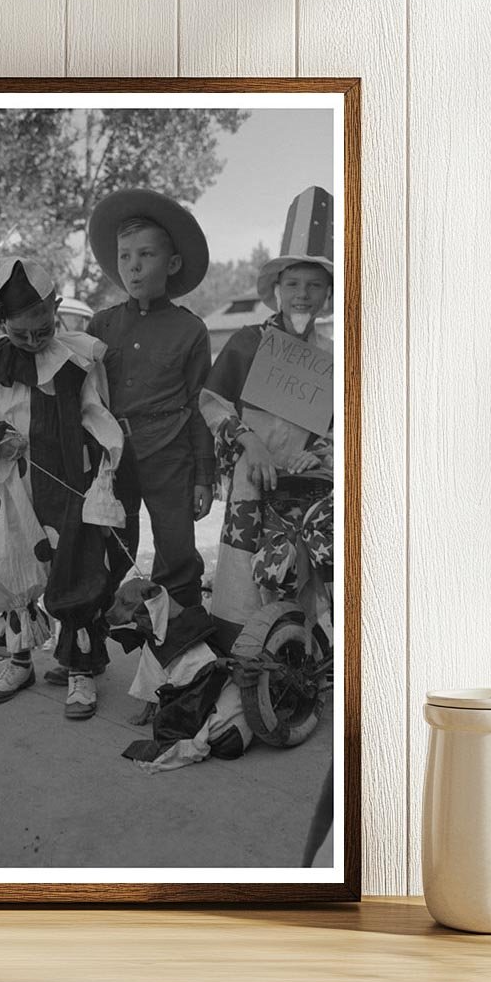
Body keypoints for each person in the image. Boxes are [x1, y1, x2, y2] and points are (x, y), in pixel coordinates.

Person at [0, 257, 125, 720]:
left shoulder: (78, 358)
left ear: (57, 308)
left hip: (65, 481)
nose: (31, 341)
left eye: (42, 329)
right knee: (2, 562)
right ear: (1, 322)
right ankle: (19, 660)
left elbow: (97, 415)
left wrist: (103, 471)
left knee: (74, 567)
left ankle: (80, 671)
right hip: (7, 484)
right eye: (19, 332)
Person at [200, 186, 334, 650]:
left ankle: (294, 666)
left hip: (305, 488)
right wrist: (248, 440)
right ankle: (243, 666)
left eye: (314, 285)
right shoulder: (247, 342)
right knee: (242, 574)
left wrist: (315, 455)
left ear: (328, 295)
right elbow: (212, 403)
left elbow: (337, 430)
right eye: (293, 284)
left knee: (298, 574)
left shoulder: (331, 358)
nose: (303, 295)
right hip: (250, 483)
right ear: (277, 290)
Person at [81, 188, 216, 612]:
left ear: (172, 264)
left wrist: (203, 476)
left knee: (176, 550)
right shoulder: (101, 325)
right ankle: (90, 639)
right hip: (115, 456)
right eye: (124, 257)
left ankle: (183, 649)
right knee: (112, 543)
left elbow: (200, 405)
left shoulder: (190, 330)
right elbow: (84, 398)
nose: (133, 266)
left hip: (169, 452)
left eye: (146, 255)